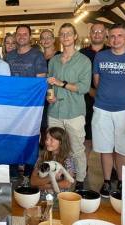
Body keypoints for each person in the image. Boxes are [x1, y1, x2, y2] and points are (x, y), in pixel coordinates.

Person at [92, 24, 125, 196]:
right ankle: (107, 182)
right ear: (108, 38)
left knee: (122, 149)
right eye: (112, 36)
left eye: (119, 35)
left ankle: (121, 182)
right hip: (102, 108)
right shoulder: (100, 56)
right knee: (104, 148)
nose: (115, 39)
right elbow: (97, 82)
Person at [47, 23, 91, 191]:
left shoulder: (84, 61)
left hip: (74, 113)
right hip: (55, 111)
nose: (65, 37)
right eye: (62, 33)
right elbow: (50, 84)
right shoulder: (54, 60)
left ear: (74, 37)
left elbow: (84, 87)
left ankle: (80, 180)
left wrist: (61, 83)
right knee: (54, 148)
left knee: (77, 149)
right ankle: (56, 176)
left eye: (68, 34)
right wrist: (49, 96)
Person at [5, 24, 48, 181]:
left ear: (30, 37)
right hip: (12, 106)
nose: (21, 36)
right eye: (19, 34)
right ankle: (14, 168)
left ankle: (29, 170)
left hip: (31, 106)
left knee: (31, 138)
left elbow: (41, 82)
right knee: (12, 137)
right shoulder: (9, 56)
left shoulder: (37, 56)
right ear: (16, 36)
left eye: (25, 34)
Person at [79, 23, 110, 163]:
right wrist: (90, 91)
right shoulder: (81, 54)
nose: (97, 34)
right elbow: (77, 77)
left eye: (100, 31)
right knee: (87, 138)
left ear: (105, 34)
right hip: (86, 101)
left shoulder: (112, 51)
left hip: (108, 101)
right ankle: (83, 169)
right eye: (94, 31)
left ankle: (112, 171)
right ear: (90, 34)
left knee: (109, 138)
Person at [30, 127, 75, 198]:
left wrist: (45, 186)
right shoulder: (42, 157)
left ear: (61, 142)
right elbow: (33, 181)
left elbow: (67, 184)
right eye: (47, 139)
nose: (47, 142)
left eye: (51, 140)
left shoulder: (67, 159)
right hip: (42, 198)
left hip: (60, 198)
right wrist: (51, 178)